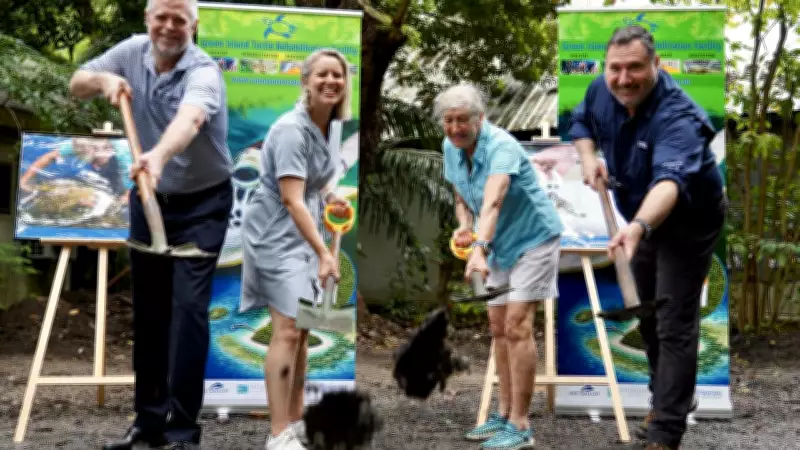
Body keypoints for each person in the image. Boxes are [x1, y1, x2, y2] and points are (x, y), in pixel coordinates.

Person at [68, 0, 234, 448]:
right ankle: (148, 425)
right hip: (147, 199)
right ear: (147, 19)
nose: (169, 26)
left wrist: (158, 156)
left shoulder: (203, 71)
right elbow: (76, 83)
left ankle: (184, 431)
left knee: (187, 314)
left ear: (193, 26)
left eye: (179, 19)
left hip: (202, 204)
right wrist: (103, 79)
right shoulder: (131, 51)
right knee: (150, 314)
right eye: (161, 16)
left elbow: (192, 118)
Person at [569, 25, 727, 450]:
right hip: (637, 218)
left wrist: (637, 227)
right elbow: (581, 121)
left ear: (656, 64)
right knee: (647, 315)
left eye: (635, 68)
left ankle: (665, 431)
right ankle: (671, 395)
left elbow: (669, 185)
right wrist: (589, 158)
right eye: (615, 69)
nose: (623, 79)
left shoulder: (680, 117)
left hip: (687, 220)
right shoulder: (602, 89)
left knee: (674, 320)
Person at [438, 83, 564, 450]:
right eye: (449, 120)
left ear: (481, 119)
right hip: (495, 241)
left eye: (463, 120)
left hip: (533, 239)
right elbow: (463, 195)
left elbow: (492, 202)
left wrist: (479, 247)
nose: (456, 127)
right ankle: (504, 414)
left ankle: (522, 425)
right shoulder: (451, 146)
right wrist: (463, 224)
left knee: (517, 324)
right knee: (497, 327)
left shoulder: (503, 146)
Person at [239, 48, 353, 450]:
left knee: (302, 329)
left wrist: (333, 196)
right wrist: (325, 253)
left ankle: (297, 421)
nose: (330, 82)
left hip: (302, 235)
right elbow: (292, 199)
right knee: (287, 330)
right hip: (275, 236)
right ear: (305, 81)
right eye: (321, 75)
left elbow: (313, 183)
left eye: (337, 75)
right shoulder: (291, 129)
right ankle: (277, 434)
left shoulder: (325, 127)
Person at [20, 137, 133, 206]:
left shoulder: (123, 153)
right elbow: (49, 157)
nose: (94, 163)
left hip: (125, 166)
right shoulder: (79, 145)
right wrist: (24, 180)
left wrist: (100, 202)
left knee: (118, 193)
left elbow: (128, 196)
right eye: (92, 161)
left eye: (95, 160)